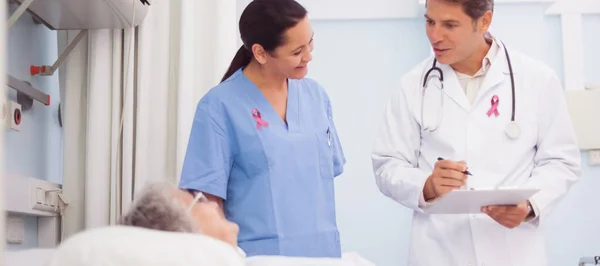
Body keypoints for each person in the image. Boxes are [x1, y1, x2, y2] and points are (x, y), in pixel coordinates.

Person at [371, 0, 581, 265]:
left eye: (450, 24)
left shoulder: (537, 79)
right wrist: (426, 185)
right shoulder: (412, 85)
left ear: (484, 21)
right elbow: (387, 165)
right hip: (440, 251)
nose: (435, 35)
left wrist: (530, 205)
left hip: (513, 251)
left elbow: (562, 161)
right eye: (430, 22)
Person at [179, 0, 346, 258]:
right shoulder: (219, 106)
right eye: (297, 51)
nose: (309, 56)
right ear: (260, 53)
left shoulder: (316, 97)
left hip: (323, 255)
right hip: (258, 257)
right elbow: (206, 205)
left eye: (310, 43)